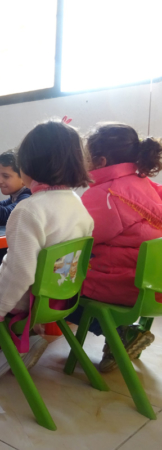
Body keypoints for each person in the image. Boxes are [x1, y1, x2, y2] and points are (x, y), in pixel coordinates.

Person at [0, 120, 93, 382]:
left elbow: (21, 274)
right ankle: (27, 337)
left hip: (22, 298)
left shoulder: (30, 209)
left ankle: (0, 347)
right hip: (59, 296)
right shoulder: (78, 204)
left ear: (29, 165)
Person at [66, 123, 162, 372]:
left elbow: (77, 238)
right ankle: (121, 334)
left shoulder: (107, 194)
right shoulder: (143, 183)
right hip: (150, 284)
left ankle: (120, 333)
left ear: (100, 161)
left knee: (54, 291)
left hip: (121, 285)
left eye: (85, 157)